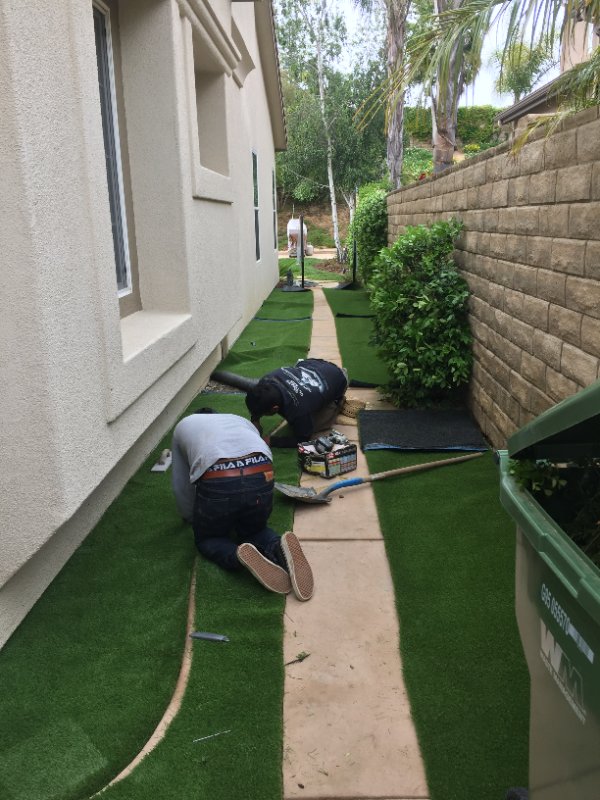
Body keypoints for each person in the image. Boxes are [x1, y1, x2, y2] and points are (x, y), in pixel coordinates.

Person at [171, 409, 313, 600]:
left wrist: (190, 516)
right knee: (255, 530)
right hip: (261, 471)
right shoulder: (237, 419)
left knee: (209, 539)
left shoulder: (184, 425)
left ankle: (237, 555)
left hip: (219, 478)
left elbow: (182, 484)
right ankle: (278, 547)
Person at [245, 358, 348, 447]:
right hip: (315, 364)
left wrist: (271, 441)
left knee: (314, 427)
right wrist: (255, 420)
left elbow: (302, 439)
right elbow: (256, 399)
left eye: (263, 413)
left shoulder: (298, 409)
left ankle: (337, 402)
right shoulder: (267, 379)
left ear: (275, 409)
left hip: (338, 377)